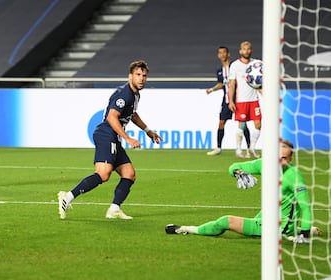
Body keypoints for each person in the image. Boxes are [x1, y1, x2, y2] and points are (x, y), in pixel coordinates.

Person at [58, 60, 162, 220]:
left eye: (144, 76)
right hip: (106, 134)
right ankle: (68, 197)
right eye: (138, 75)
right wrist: (127, 138)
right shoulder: (124, 93)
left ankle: (114, 209)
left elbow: (132, 114)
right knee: (103, 174)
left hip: (113, 136)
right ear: (130, 76)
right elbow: (112, 117)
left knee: (129, 174)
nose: (142, 78)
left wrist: (148, 131)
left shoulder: (135, 94)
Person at [165, 140, 321, 243]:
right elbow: (233, 166)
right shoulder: (263, 164)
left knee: (226, 221)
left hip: (276, 228)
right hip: (267, 217)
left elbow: (306, 207)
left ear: (290, 160)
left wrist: (305, 234)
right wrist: (238, 172)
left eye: (285, 158)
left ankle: (187, 229)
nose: (280, 161)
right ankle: (297, 230)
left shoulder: (294, 176)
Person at [206, 46, 251, 156]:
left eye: (224, 52)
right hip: (226, 100)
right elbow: (221, 84)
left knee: (242, 123)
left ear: (228, 54)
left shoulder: (235, 66)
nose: (222, 55)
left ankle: (250, 148)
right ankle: (218, 148)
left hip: (238, 99)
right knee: (221, 122)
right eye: (220, 53)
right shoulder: (219, 69)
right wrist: (212, 89)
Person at [228, 41, 262, 158]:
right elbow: (231, 84)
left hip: (254, 100)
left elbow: (260, 82)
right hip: (241, 100)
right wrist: (231, 101)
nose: (246, 51)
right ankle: (238, 149)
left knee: (258, 124)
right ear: (240, 51)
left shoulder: (256, 64)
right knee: (241, 125)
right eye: (244, 49)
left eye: (248, 49)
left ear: (251, 50)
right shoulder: (235, 65)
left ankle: (252, 148)